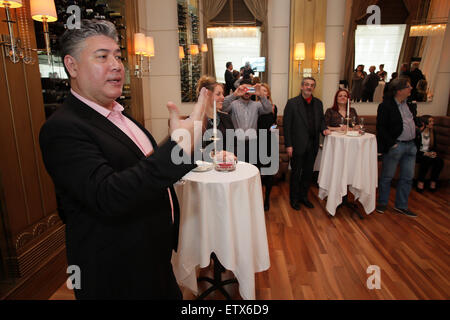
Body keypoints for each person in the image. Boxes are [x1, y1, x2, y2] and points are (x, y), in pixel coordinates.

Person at [39, 19, 208, 299]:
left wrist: (176, 143)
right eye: (102, 57)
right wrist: (178, 146)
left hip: (152, 257)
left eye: (117, 56)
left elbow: (141, 168)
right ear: (72, 66)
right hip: (116, 271)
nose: (117, 65)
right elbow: (107, 194)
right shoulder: (62, 128)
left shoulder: (118, 114)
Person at [283, 77, 331, 211]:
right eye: (306, 84)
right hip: (297, 145)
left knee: (308, 173)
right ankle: (294, 199)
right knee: (296, 173)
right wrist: (289, 145)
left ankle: (304, 197)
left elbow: (321, 120)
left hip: (313, 144)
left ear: (314, 88)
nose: (309, 87)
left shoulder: (318, 103)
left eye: (312, 85)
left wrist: (324, 129)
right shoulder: (292, 103)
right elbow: (287, 126)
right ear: (301, 87)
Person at [376, 78, 421, 217]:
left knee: (407, 177)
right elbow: (381, 128)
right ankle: (382, 203)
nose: (411, 88)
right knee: (387, 176)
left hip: (411, 145)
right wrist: (392, 144)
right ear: (399, 90)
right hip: (396, 145)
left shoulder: (410, 105)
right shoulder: (386, 106)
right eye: (408, 86)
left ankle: (401, 205)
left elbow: (412, 121)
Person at [222, 80, 272, 163]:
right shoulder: (234, 104)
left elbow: (268, 109)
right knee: (237, 169)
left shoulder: (256, 105)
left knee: (251, 168)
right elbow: (222, 107)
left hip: (252, 144)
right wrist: (234, 94)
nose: (247, 91)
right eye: (244, 89)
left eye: (250, 89)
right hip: (236, 144)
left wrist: (261, 95)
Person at [196, 76, 235, 152]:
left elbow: (234, 145)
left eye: (223, 94)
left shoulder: (226, 118)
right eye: (218, 94)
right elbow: (192, 152)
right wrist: (213, 155)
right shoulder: (195, 122)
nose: (223, 97)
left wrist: (228, 155)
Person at [257, 83, 278, 211]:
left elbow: (275, 123)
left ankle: (267, 199)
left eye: (264, 91)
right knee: (257, 171)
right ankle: (256, 198)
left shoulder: (274, 107)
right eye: (260, 91)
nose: (262, 93)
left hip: (269, 141)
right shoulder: (255, 107)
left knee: (269, 173)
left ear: (268, 94)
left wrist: (273, 128)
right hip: (257, 140)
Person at [416, 115, 444, 192]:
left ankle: (433, 182)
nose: (433, 123)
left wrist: (433, 153)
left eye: (433, 121)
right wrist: (425, 153)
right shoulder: (418, 132)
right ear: (425, 123)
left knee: (439, 161)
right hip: (419, 154)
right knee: (426, 160)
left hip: (429, 153)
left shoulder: (433, 132)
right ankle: (420, 182)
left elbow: (434, 146)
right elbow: (415, 148)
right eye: (430, 121)